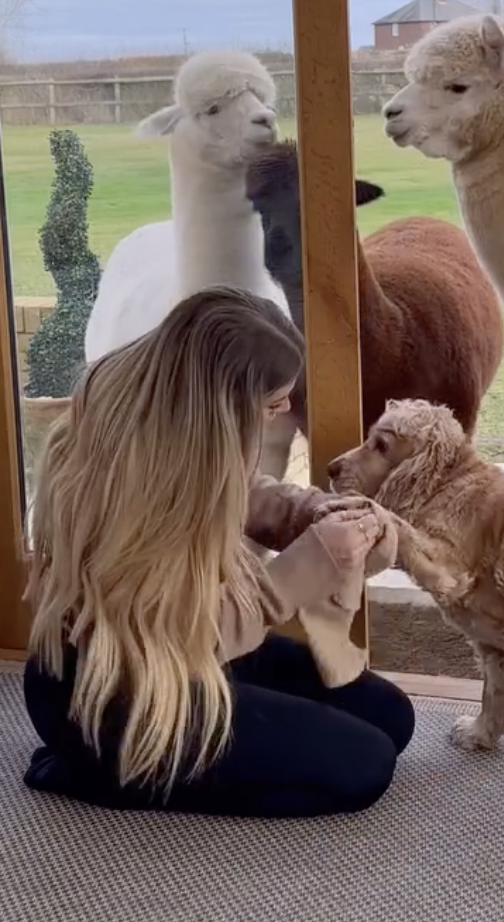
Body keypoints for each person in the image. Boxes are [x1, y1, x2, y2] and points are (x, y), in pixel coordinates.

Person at [22, 285, 415, 817]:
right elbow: (192, 636)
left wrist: (310, 512)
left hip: (180, 660)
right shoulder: (124, 484)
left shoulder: (181, 427)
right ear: (221, 404)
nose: (283, 413)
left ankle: (152, 763)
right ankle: (93, 769)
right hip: (113, 687)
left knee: (391, 717)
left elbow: (234, 489)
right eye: (272, 403)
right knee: (365, 767)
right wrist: (307, 568)